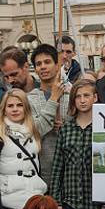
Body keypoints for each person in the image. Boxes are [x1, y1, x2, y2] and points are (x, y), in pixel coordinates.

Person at [50, 79, 100, 209]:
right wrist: (57, 202)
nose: (82, 100)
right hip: (71, 201)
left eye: (87, 95)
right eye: (78, 96)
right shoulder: (66, 129)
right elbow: (58, 167)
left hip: (96, 203)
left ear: (95, 97)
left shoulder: (103, 127)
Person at [0, 89, 45, 209]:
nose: (15, 109)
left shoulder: (33, 132)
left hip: (33, 202)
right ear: (4, 109)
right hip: (8, 205)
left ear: (25, 108)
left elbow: (37, 169)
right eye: (10, 105)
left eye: (19, 105)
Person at [27, 44, 66, 178]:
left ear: (57, 65)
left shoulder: (72, 94)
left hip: (70, 169)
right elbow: (34, 131)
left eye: (47, 62)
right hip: (43, 172)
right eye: (38, 64)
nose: (42, 66)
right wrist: (54, 98)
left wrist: (66, 127)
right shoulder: (29, 99)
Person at [0, 47, 36, 111]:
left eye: (14, 74)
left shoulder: (45, 91)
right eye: (6, 77)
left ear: (26, 67)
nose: (10, 80)